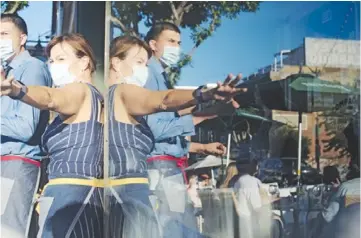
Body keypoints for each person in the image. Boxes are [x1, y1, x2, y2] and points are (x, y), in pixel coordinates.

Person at [106, 35, 245, 237]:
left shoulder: (112, 96)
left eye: (145, 64)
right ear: (116, 63)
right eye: (139, 62)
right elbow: (164, 99)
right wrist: (203, 94)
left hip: (134, 192)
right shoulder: (121, 92)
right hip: (130, 191)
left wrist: (201, 146)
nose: (143, 70)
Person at [1, 33, 104, 238]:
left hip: (74, 194)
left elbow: (50, 97)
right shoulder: (93, 97)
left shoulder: (81, 91)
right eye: (51, 60)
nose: (53, 65)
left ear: (84, 62)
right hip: (65, 193)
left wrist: (16, 90)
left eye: (61, 59)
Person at [144, 22, 240, 233]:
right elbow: (156, 131)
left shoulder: (161, 76)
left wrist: (203, 146)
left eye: (179, 43)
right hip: (161, 171)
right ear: (153, 44)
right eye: (170, 41)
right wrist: (208, 108)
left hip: (167, 169)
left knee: (175, 227)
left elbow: (169, 129)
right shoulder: (149, 75)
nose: (176, 48)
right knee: (173, 228)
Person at [0, 14, 52, 237]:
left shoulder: (31, 68)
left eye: (4, 34)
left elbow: (25, 127)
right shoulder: (9, 71)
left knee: (9, 231)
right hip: (8, 162)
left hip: (18, 162)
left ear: (22, 39)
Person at [233, 160, 272, 238]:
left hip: (237, 220)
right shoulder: (252, 182)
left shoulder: (237, 181)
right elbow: (256, 206)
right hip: (248, 221)